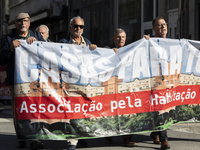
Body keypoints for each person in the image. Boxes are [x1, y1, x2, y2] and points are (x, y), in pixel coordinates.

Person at [0, 12, 45, 150]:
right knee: (19, 111)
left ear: (29, 23)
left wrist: (38, 45)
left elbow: (48, 53)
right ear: (16, 24)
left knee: (33, 109)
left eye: (25, 20)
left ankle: (34, 138)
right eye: (19, 21)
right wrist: (10, 48)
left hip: (34, 81)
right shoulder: (8, 39)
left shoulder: (37, 36)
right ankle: (21, 138)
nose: (22, 23)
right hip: (17, 81)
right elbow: (2, 59)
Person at [59, 16, 97, 150]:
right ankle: (71, 142)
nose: (78, 29)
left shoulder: (87, 43)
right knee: (71, 113)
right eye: (75, 26)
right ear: (70, 27)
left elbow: (94, 62)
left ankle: (80, 137)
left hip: (84, 84)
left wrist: (94, 50)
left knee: (82, 113)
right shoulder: (63, 43)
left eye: (81, 26)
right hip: (69, 85)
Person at [104, 28, 137, 147]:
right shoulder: (108, 49)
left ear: (126, 38)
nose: (120, 39)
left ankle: (127, 138)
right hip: (112, 85)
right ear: (114, 39)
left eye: (123, 37)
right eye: (118, 37)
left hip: (125, 85)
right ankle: (108, 135)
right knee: (111, 111)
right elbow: (102, 54)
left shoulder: (129, 50)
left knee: (127, 111)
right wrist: (110, 53)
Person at [143, 16, 170, 150]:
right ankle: (164, 139)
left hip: (168, 81)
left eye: (164, 24)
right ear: (154, 29)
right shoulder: (149, 42)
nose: (163, 27)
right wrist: (144, 42)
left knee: (165, 109)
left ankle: (155, 132)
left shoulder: (172, 43)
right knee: (160, 109)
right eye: (159, 25)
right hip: (155, 81)